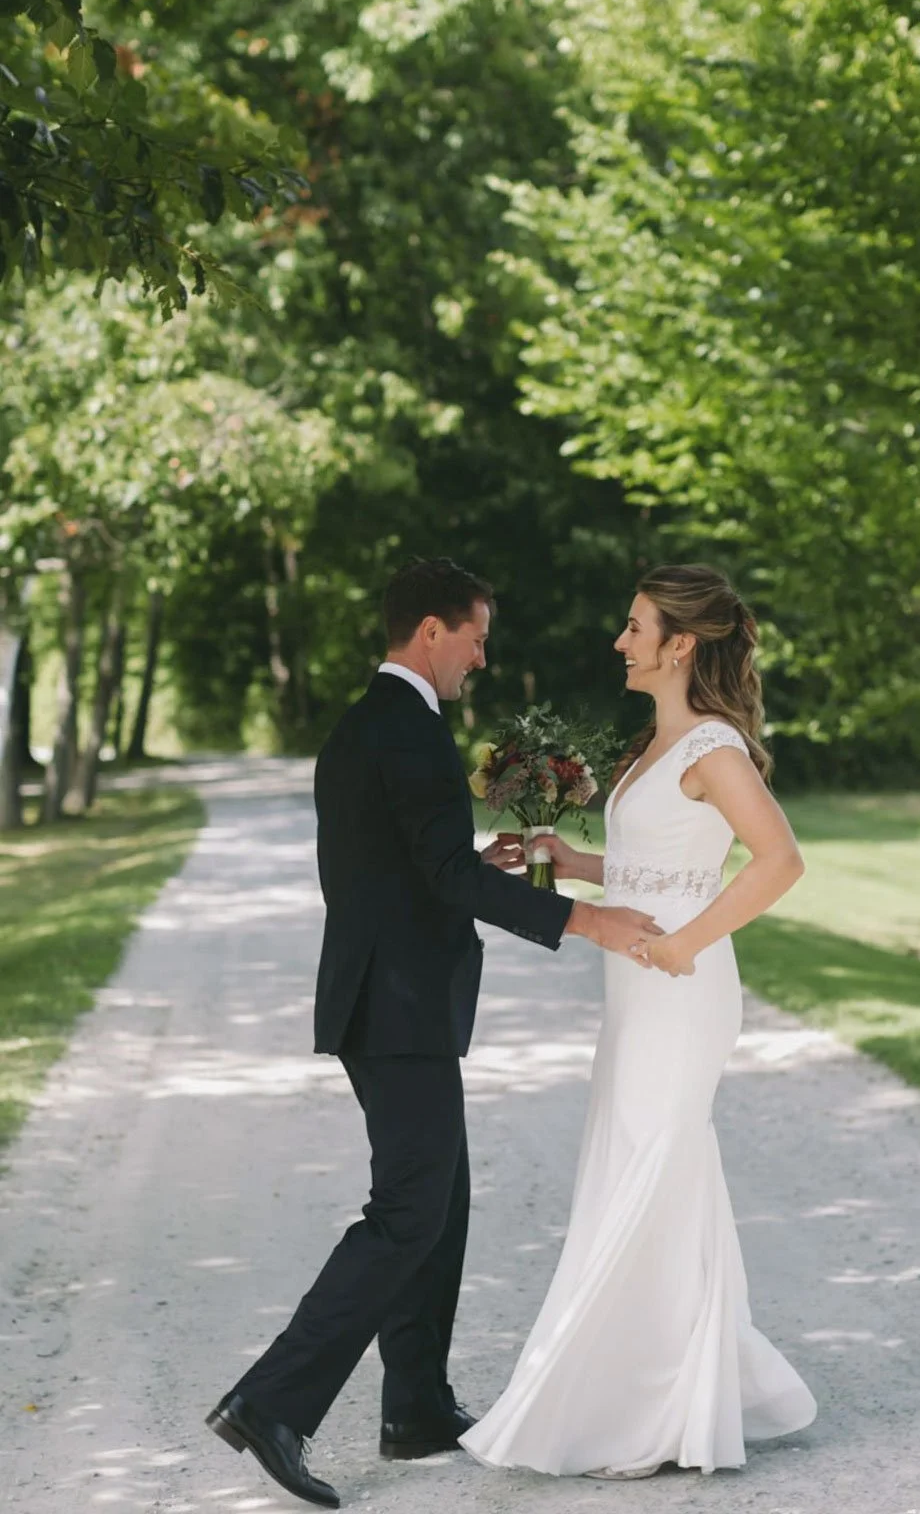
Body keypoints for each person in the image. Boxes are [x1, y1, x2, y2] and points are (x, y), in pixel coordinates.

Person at [204, 557, 663, 1510]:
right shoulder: (406, 729)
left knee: (439, 1200)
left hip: (391, 1000)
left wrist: (471, 856)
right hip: (398, 1006)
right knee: (410, 1208)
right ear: (429, 631)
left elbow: (411, 864)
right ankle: (271, 1402)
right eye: (476, 637)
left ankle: (414, 1406)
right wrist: (588, 919)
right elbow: (441, 884)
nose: (482, 658)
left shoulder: (377, 723)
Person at [460, 563, 818, 1479]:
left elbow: (777, 861)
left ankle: (638, 1404)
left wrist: (686, 943)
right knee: (639, 1165)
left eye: (634, 627)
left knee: (654, 1166)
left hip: (681, 989)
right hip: (634, 992)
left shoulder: (712, 749)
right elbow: (650, 868)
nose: (620, 641)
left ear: (680, 644)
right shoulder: (651, 748)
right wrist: (566, 859)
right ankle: (671, 1388)